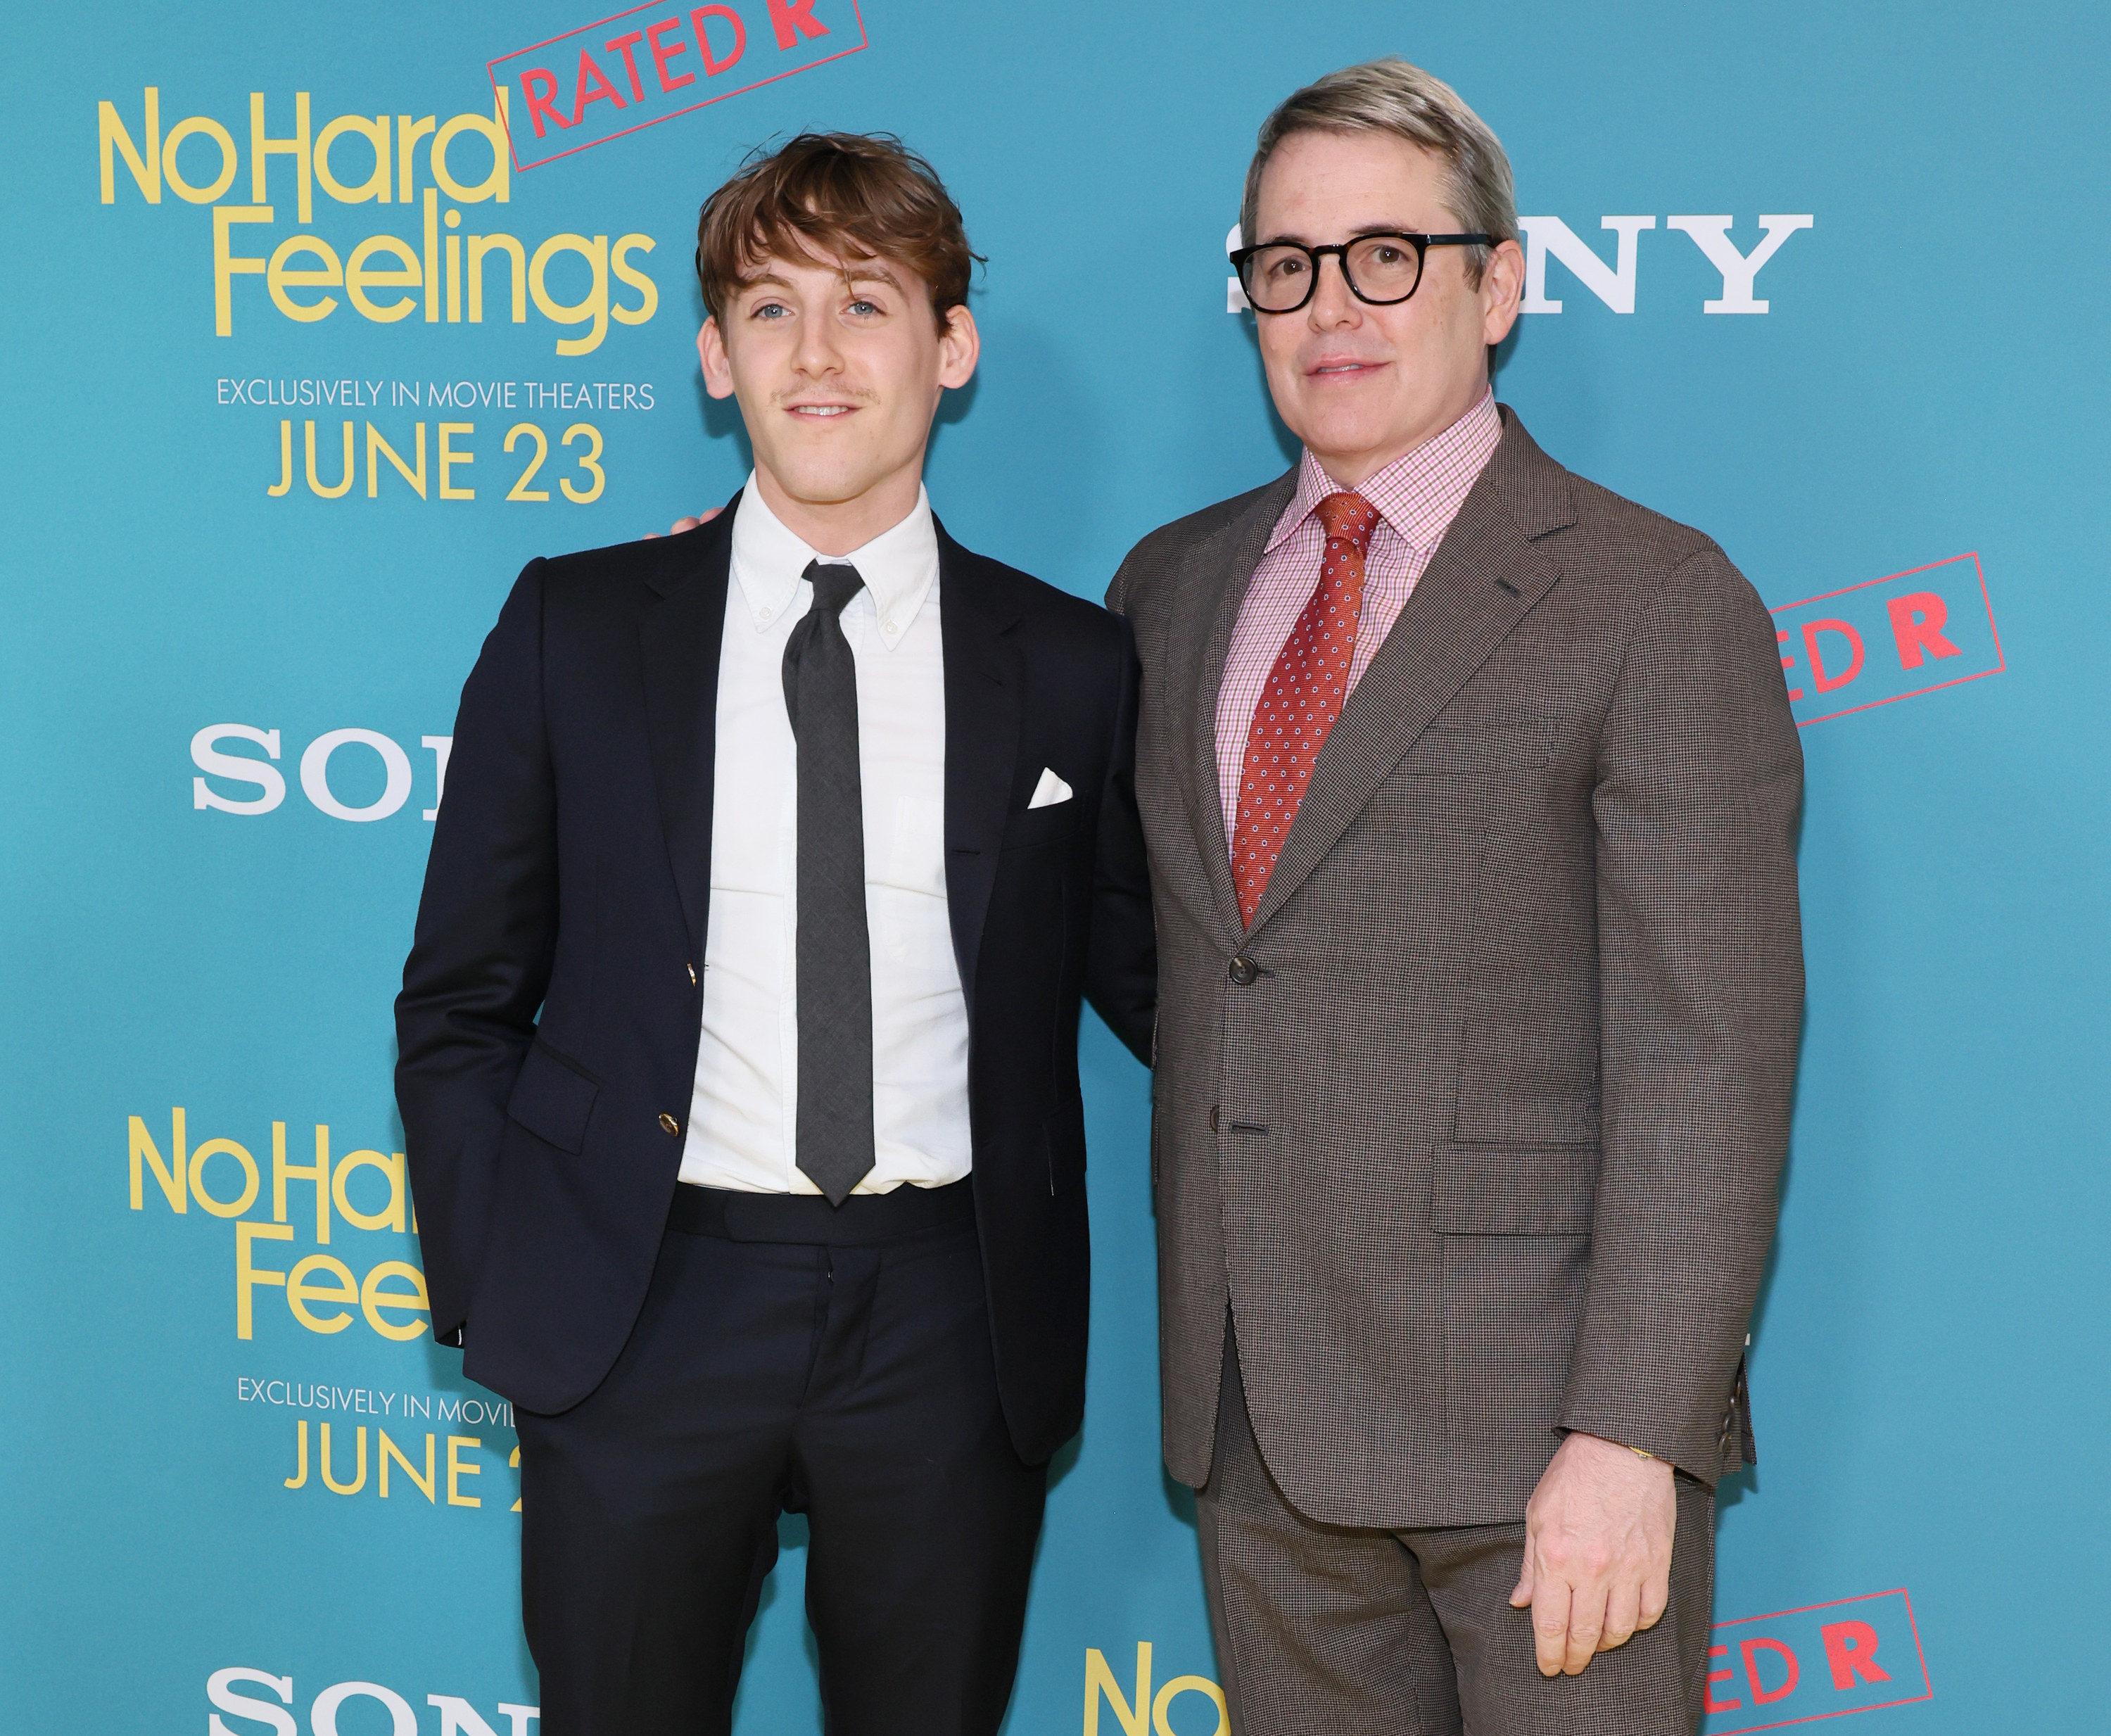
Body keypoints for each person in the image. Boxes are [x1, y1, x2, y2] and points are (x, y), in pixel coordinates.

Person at [395, 132, 1155, 1736]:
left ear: (950, 347)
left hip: (952, 1318)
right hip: (642, 1303)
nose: (815, 353)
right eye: (767, 307)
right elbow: (460, 996)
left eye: (866, 303)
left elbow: (1159, 978)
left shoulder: (1075, 661)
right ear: (711, 354)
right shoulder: (574, 629)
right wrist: (501, 1274)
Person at [1104, 58, 1803, 1735]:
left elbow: (1710, 1058)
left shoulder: (1654, 597)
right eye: (1285, 262)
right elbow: (1167, 950)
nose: (1329, 305)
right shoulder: (1170, 586)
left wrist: (1633, 1435)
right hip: (1259, 1420)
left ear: (1498, 284)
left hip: (1544, 1438)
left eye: (1385, 255)